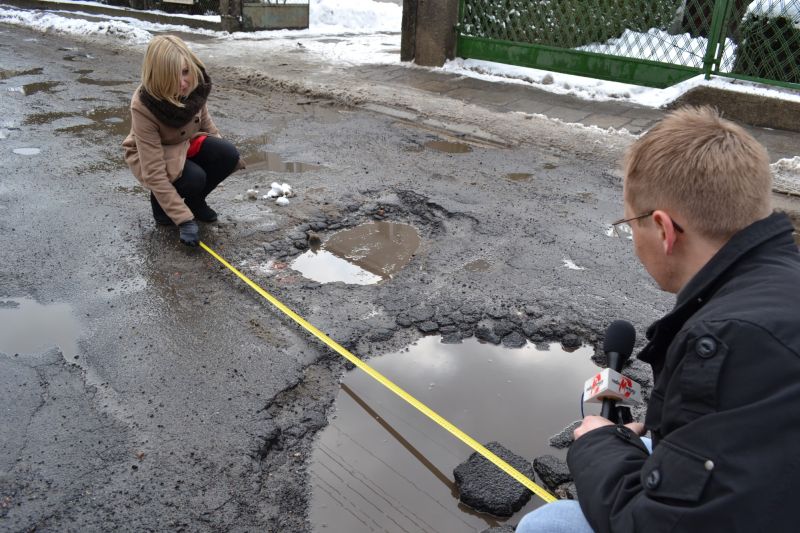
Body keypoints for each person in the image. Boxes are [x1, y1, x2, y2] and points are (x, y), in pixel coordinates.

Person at [517, 106, 800, 532]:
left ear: (664, 230)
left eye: (630, 224)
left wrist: (597, 445)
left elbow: (655, 525)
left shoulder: (725, 341)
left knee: (547, 525)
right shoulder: (778, 281)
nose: (632, 239)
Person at [123, 35, 243, 247]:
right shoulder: (143, 105)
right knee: (194, 178)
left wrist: (226, 161)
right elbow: (153, 171)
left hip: (185, 143)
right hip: (155, 153)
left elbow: (207, 126)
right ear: (158, 76)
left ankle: (195, 201)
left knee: (228, 153)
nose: (183, 82)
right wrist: (184, 220)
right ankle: (162, 207)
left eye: (185, 71)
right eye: (172, 75)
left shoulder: (196, 86)